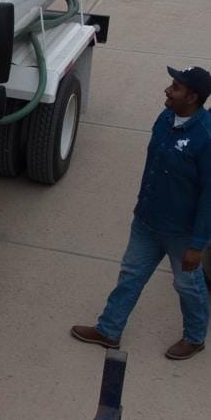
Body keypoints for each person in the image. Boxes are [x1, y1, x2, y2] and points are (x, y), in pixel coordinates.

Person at [71, 65, 211, 360]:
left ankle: (195, 337)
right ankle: (109, 330)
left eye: (176, 87)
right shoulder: (165, 118)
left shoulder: (206, 137)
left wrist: (197, 245)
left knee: (187, 286)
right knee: (130, 275)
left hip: (182, 234)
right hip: (147, 222)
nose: (167, 90)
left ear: (193, 97)